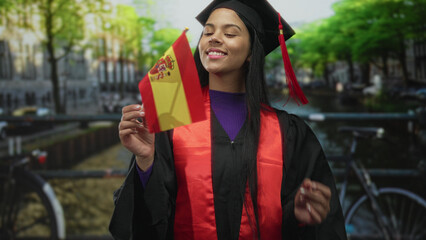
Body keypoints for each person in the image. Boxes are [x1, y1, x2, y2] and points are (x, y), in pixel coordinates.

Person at [109, 0, 347, 239]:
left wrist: (297, 217)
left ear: (252, 53)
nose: (214, 38)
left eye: (230, 33)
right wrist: (145, 161)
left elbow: (318, 224)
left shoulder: (290, 133)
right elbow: (148, 221)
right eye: (208, 32)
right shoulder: (172, 122)